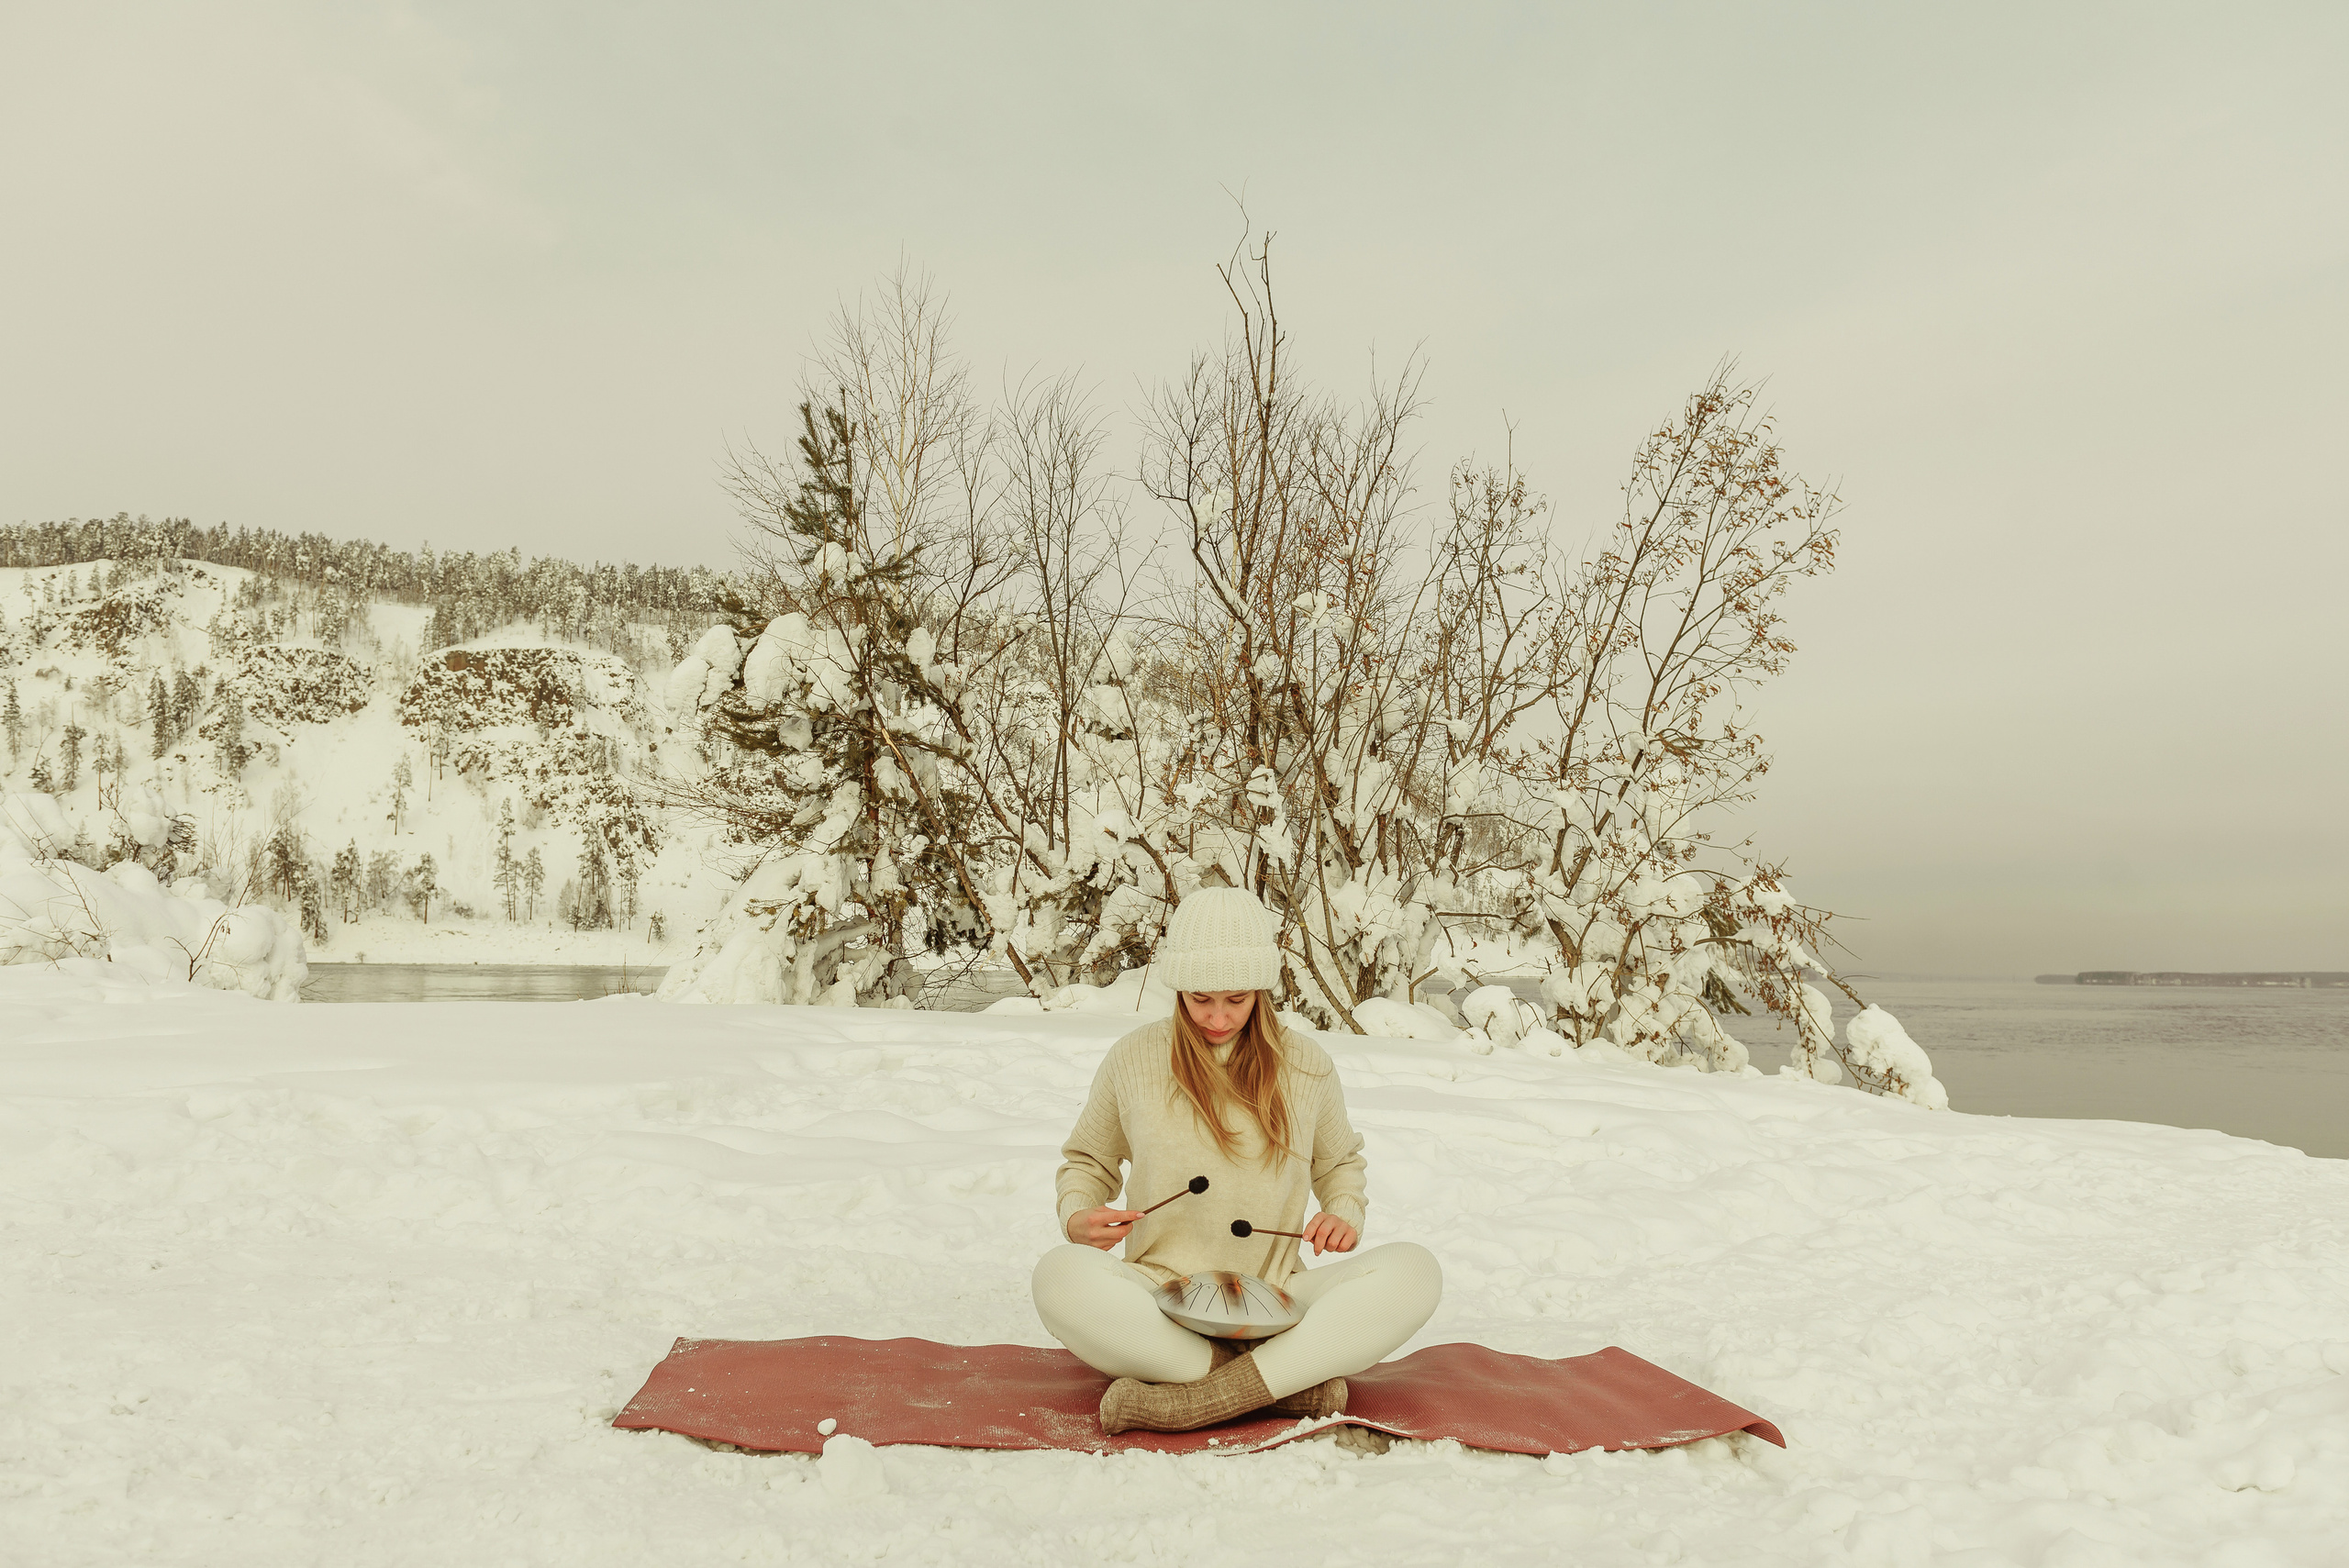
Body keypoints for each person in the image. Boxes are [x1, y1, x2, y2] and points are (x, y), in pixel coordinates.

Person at [1030, 886, 1443, 1434]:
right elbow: (1087, 1161)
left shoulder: (1305, 1063)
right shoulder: (1134, 1057)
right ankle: (1285, 1383)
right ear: (1178, 988)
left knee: (1417, 1271)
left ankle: (1193, 1397)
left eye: (1237, 999)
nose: (1219, 1018)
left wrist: (1343, 1213)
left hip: (1275, 1297)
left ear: (1261, 992)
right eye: (1201, 999)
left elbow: (1339, 1164)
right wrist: (1077, 1212)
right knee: (1057, 1276)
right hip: (1157, 1298)